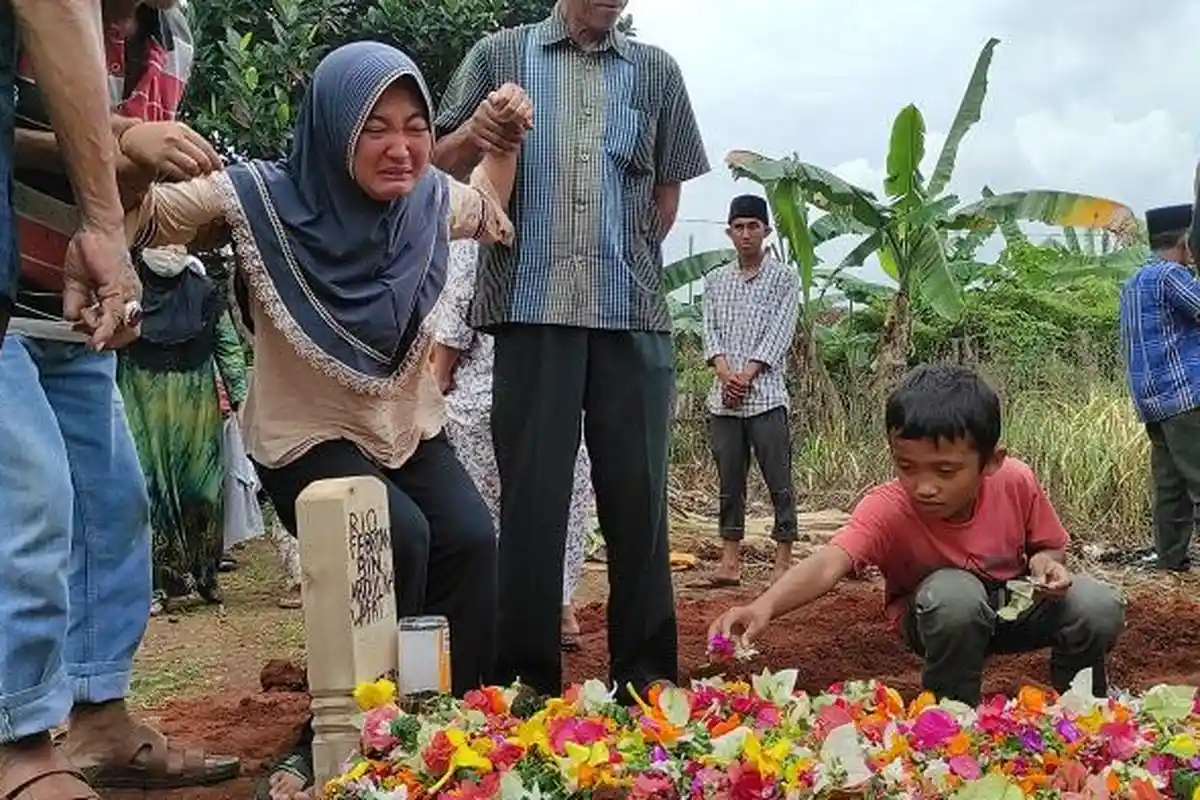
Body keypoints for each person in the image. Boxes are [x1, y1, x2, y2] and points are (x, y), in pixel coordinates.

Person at [127, 41, 531, 800]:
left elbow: (488, 202)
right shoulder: (257, 199)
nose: (402, 147)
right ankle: (331, 742)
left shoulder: (428, 204)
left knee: (473, 540)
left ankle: (451, 719)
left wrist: (499, 140)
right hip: (303, 434)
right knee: (393, 535)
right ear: (334, 128)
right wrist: (130, 145)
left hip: (402, 426)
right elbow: (143, 220)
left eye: (415, 126)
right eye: (375, 127)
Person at [434, 0, 710, 700]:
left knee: (639, 505)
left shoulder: (657, 73)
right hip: (530, 313)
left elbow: (665, 196)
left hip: (631, 315)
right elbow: (434, 162)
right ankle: (525, 684)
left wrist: (628, 261)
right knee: (531, 503)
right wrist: (478, 128)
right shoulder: (499, 55)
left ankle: (645, 680)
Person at [0, 0, 240, 795]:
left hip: (74, 306)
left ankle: (99, 716)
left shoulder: (175, 37)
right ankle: (20, 741)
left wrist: (129, 166)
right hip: (7, 298)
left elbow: (128, 195)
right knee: (32, 500)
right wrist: (118, 139)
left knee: (113, 504)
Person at [709, 364, 1126, 707]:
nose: (924, 486)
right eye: (907, 467)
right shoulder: (888, 506)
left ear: (991, 462)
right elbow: (829, 564)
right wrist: (762, 607)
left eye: (945, 471)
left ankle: (1082, 709)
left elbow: (1047, 547)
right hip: (937, 618)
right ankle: (950, 716)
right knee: (955, 594)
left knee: (1097, 603)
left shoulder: (1016, 481)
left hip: (1012, 608)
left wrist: (1046, 564)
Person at [430, 239, 597, 651]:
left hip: (485, 396)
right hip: (558, 397)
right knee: (562, 499)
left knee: (486, 509)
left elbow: (454, 322)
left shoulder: (476, 242)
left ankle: (503, 610)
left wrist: (438, 379)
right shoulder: (571, 243)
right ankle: (559, 607)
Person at [116, 246, 249, 613]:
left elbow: (228, 347)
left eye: (177, 243)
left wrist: (241, 398)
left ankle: (206, 574)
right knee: (150, 491)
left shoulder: (204, 292)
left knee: (203, 490)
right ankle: (161, 585)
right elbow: (108, 344)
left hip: (196, 405)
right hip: (140, 402)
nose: (170, 250)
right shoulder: (128, 288)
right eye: (161, 242)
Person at [698, 194, 800, 588]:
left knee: (779, 480)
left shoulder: (784, 279)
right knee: (729, 483)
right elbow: (710, 334)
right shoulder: (715, 281)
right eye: (738, 227)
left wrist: (748, 374)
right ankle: (729, 562)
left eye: (752, 226)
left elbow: (781, 333)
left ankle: (783, 561)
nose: (745, 234)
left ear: (766, 230)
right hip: (724, 401)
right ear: (729, 232)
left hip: (767, 396)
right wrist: (726, 375)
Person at [1119, 203, 1200, 572]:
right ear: (1187, 240)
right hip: (1185, 395)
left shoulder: (1134, 282)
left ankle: (1169, 558)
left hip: (1152, 402)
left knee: (1169, 486)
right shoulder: (1172, 276)